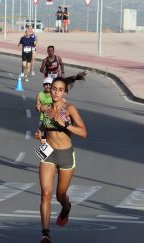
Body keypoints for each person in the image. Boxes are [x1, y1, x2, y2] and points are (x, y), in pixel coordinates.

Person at [35, 77, 87, 243]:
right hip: (48, 152)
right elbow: (43, 127)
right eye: (54, 89)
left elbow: (83, 132)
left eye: (60, 89)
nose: (56, 92)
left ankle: (66, 207)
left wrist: (64, 124)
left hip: (65, 154)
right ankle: (45, 233)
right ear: (50, 90)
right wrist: (40, 135)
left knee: (60, 194)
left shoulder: (69, 109)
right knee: (45, 193)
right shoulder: (46, 108)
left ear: (64, 92)